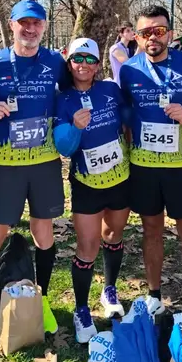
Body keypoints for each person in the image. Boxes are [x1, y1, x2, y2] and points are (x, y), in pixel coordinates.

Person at [0, 0, 69, 340]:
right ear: (11, 25)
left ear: (44, 26)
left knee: (44, 232)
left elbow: (72, 93)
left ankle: (43, 299)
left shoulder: (55, 62)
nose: (30, 29)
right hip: (5, 165)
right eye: (24, 22)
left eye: (36, 23)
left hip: (44, 164)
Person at [119, 5, 182, 316]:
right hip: (144, 166)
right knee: (151, 231)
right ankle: (153, 296)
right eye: (145, 32)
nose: (153, 37)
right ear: (137, 37)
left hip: (181, 166)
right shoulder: (129, 70)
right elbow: (126, 115)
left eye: (159, 31)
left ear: (170, 34)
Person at [53, 37, 132, 343]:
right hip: (86, 182)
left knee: (113, 235)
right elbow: (63, 147)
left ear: (98, 64)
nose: (83, 65)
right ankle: (81, 309)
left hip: (119, 179)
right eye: (78, 59)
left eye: (90, 59)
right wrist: (74, 127)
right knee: (87, 246)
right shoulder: (62, 98)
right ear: (69, 62)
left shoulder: (110, 90)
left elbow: (128, 120)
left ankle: (109, 290)